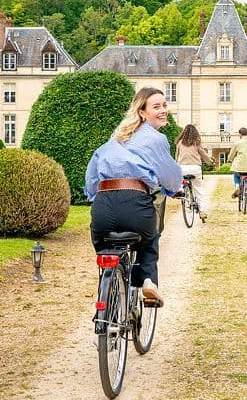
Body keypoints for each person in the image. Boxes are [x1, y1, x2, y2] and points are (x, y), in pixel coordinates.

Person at [84, 87, 185, 307]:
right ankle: (148, 281)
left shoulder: (115, 139)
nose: (163, 110)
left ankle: (107, 301)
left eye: (164, 105)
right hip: (135, 204)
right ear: (142, 112)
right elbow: (170, 176)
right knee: (150, 239)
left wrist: (93, 196)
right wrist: (175, 189)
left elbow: (92, 174)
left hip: (103, 207)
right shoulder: (155, 138)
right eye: (156, 107)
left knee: (104, 248)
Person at [175, 124, 212, 222]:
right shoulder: (196, 142)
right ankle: (202, 211)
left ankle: (182, 191)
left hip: (182, 168)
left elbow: (176, 157)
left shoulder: (179, 143)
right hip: (195, 168)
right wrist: (209, 162)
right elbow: (203, 154)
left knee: (182, 182)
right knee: (199, 189)